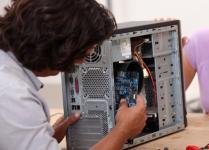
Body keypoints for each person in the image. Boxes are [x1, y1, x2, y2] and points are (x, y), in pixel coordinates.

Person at [0, 0, 146, 150]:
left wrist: (42, 138)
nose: (81, 63)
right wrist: (122, 131)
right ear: (56, 47)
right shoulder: (12, 96)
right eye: (82, 53)